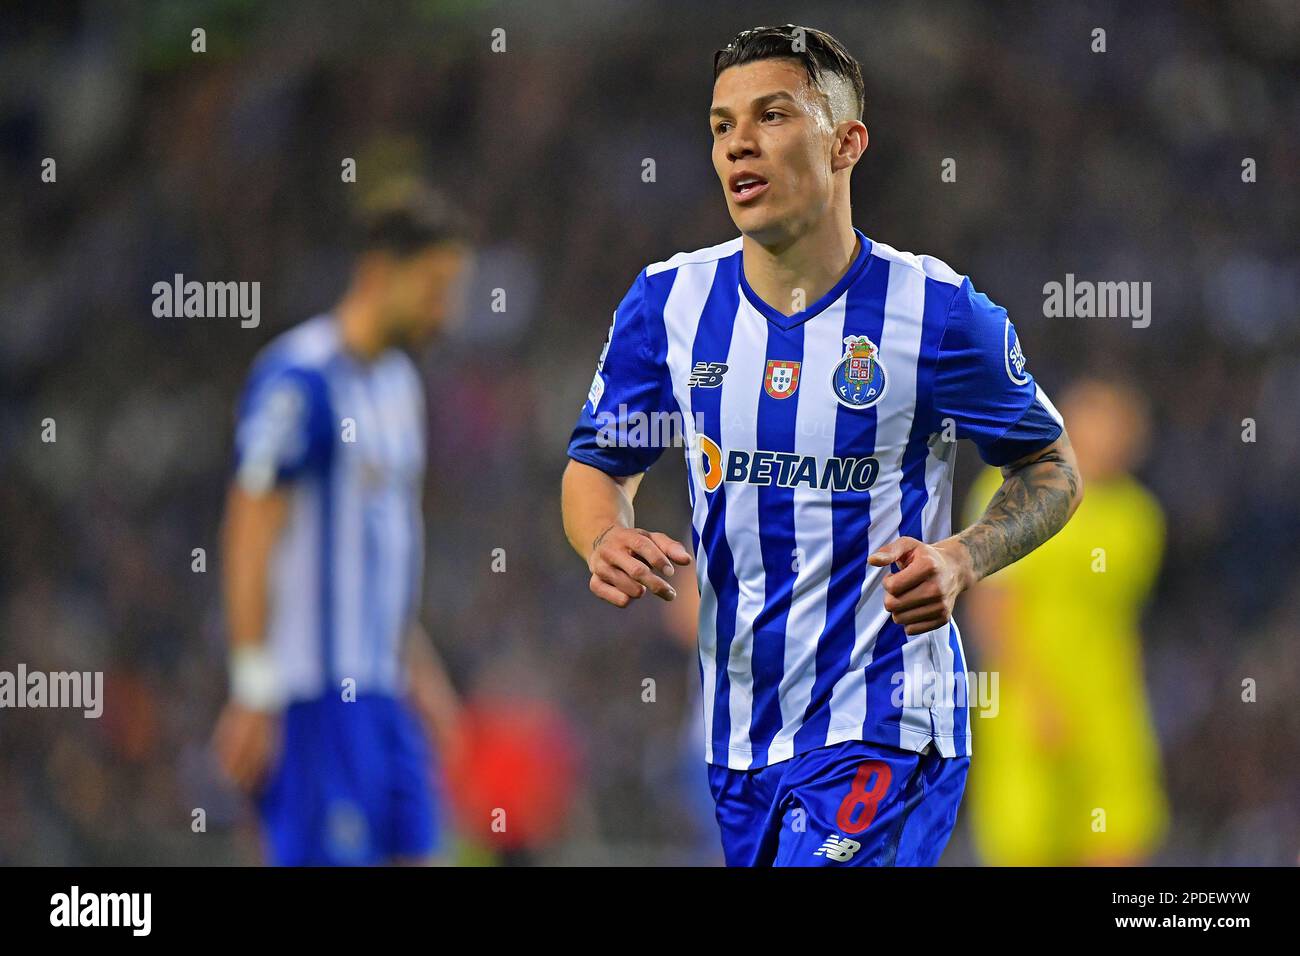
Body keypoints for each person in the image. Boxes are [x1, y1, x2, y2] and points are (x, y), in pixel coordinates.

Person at [560, 24, 1082, 866]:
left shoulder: (939, 312)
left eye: (771, 116)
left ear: (847, 143)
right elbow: (597, 465)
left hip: (886, 718)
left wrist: (962, 558)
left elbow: (1051, 467)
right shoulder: (669, 305)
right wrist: (603, 536)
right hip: (739, 741)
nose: (739, 145)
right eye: (722, 125)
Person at [213, 181, 471, 865]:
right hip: (313, 701)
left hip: (383, 695)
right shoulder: (300, 378)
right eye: (435, 287)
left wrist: (422, 676)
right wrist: (252, 687)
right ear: (381, 273)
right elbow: (250, 527)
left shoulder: (398, 386)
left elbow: (381, 557)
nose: (445, 312)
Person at [962, 378, 1168, 865]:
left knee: (1120, 836)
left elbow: (1125, 618)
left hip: (1110, 707)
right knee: (1027, 844)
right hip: (1029, 703)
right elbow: (992, 608)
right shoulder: (1013, 491)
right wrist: (1036, 697)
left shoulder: (1139, 517)